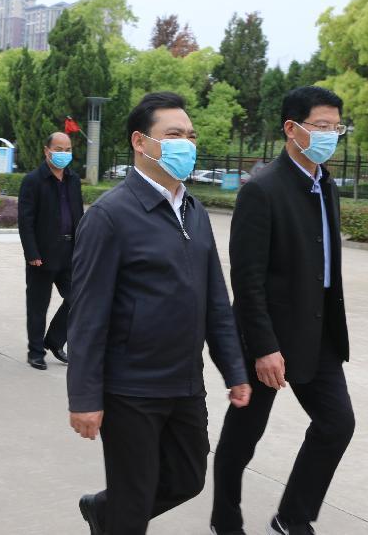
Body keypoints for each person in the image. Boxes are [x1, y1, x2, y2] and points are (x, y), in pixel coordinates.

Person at [67, 92, 251, 535]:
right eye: (173, 134)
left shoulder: (194, 210)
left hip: (184, 382)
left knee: (188, 478)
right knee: (134, 502)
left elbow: (215, 300)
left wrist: (234, 369)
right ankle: (118, 515)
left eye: (190, 135)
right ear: (140, 142)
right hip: (130, 388)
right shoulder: (110, 216)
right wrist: (85, 397)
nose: (186, 143)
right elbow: (87, 315)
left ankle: (105, 512)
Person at [210, 86, 355, 535]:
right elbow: (247, 278)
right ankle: (224, 516)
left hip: (319, 330)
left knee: (337, 424)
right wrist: (263, 347)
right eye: (321, 126)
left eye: (336, 128)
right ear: (292, 129)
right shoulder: (263, 189)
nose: (330, 135)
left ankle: (292, 516)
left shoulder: (325, 184)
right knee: (244, 434)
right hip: (268, 336)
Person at [17, 131, 83, 370]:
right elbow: (25, 221)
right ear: (47, 151)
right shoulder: (33, 181)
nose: (63, 154)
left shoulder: (73, 179)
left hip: (69, 252)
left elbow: (79, 216)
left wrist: (83, 247)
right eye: (58, 149)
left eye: (68, 150)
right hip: (42, 255)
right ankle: (35, 352)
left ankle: (54, 341)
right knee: (38, 306)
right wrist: (32, 253)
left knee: (79, 298)